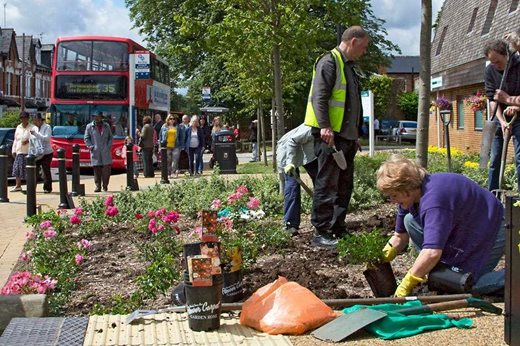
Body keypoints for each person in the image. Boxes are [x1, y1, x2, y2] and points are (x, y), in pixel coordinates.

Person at [377, 155, 505, 296]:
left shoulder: (434, 202)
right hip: (463, 225)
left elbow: (432, 252)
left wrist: (408, 281)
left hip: (491, 226)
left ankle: (512, 278)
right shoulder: (410, 197)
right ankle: (444, 269)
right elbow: (400, 236)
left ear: (406, 188)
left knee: (467, 284)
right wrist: (380, 258)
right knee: (410, 220)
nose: (391, 200)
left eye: (393, 195)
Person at [303, 26, 369, 247]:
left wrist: (355, 134)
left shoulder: (349, 67)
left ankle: (337, 228)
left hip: (345, 137)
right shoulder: (329, 62)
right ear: (352, 41)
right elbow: (319, 97)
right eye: (363, 46)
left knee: (343, 185)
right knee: (327, 184)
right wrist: (325, 127)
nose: (364, 51)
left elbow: (352, 105)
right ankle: (321, 232)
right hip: (330, 136)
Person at [483, 39, 520, 191]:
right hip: (499, 119)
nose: (495, 65)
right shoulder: (490, 70)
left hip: (518, 118)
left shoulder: (518, 66)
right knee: (494, 160)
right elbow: (492, 99)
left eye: (497, 61)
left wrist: (515, 107)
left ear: (506, 55)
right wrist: (502, 121)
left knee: (519, 158)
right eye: (492, 62)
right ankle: (491, 196)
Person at [276, 124, 318, 236]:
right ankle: (290, 224)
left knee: (321, 184)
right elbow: (292, 140)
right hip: (287, 150)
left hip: (307, 154)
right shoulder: (313, 127)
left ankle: (321, 220)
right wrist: (290, 162)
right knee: (292, 187)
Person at [84, 111, 113, 192]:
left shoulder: (106, 126)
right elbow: (86, 138)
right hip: (95, 151)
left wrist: (108, 146)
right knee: (97, 170)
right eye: (94, 116)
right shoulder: (89, 126)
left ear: (101, 117)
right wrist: (91, 147)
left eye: (97, 116)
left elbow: (110, 138)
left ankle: (105, 186)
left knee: (106, 170)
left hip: (105, 151)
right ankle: (98, 186)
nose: (96, 118)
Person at [10, 111, 36, 192]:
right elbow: (16, 139)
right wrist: (13, 150)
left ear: (28, 119)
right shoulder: (18, 127)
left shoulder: (32, 127)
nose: (23, 120)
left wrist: (27, 141)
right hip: (19, 151)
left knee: (28, 171)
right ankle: (18, 185)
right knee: (17, 169)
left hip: (28, 152)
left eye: (25, 118)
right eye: (22, 118)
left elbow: (35, 139)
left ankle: (30, 187)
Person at [30, 113, 54, 193]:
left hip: (47, 152)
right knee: (34, 170)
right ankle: (32, 188)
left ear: (40, 120)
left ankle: (47, 188)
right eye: (33, 121)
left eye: (36, 121)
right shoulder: (34, 128)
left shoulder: (47, 127)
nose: (34, 122)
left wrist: (36, 134)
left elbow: (46, 138)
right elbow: (32, 140)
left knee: (45, 170)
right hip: (37, 152)